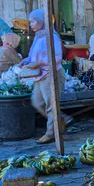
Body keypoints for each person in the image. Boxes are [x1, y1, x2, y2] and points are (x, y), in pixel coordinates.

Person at [22, 9, 70, 144]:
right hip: (40, 75)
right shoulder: (39, 36)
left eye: (33, 21)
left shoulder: (51, 37)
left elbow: (57, 58)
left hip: (52, 74)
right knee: (37, 102)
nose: (30, 24)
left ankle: (51, 133)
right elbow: (34, 55)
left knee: (51, 105)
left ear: (41, 21)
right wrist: (26, 60)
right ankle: (60, 120)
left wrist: (37, 63)